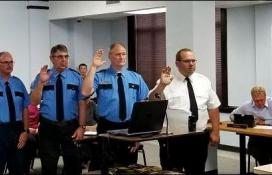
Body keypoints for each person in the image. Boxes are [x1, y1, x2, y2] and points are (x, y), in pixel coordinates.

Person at [148, 48, 220, 174]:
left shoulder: (204, 81)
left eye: (193, 60)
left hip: (198, 137)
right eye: (187, 61)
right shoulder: (166, 82)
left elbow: (213, 107)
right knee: (172, 171)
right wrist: (161, 86)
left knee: (197, 170)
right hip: (173, 139)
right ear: (177, 63)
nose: (191, 64)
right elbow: (152, 102)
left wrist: (215, 132)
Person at [81, 42, 149, 174]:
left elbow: (142, 105)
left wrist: (138, 135)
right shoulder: (100, 76)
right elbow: (85, 92)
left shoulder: (136, 77)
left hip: (130, 127)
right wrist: (94, 67)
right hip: (107, 127)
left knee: (128, 168)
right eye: (118, 54)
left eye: (123, 54)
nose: (121, 57)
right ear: (110, 56)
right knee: (106, 167)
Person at [31, 44, 86, 175]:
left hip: (71, 126)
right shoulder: (43, 76)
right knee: (48, 165)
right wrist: (41, 84)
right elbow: (34, 101)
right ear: (52, 58)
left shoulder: (76, 77)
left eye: (66, 56)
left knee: (73, 165)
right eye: (60, 57)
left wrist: (81, 127)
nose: (64, 59)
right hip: (48, 127)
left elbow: (82, 103)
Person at [230, 85, 272, 165]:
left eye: (262, 100)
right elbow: (232, 116)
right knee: (259, 153)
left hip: (270, 137)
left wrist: (265, 122)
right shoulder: (247, 106)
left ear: (265, 97)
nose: (259, 103)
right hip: (256, 138)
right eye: (256, 101)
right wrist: (249, 120)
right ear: (252, 98)